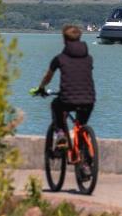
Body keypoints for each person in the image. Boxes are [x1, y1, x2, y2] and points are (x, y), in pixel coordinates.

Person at [35, 25, 96, 160]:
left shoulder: (59, 58)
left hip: (68, 99)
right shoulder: (89, 58)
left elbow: (48, 77)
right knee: (81, 126)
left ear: (64, 40)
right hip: (89, 99)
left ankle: (61, 134)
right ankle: (85, 162)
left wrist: (41, 88)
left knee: (55, 106)